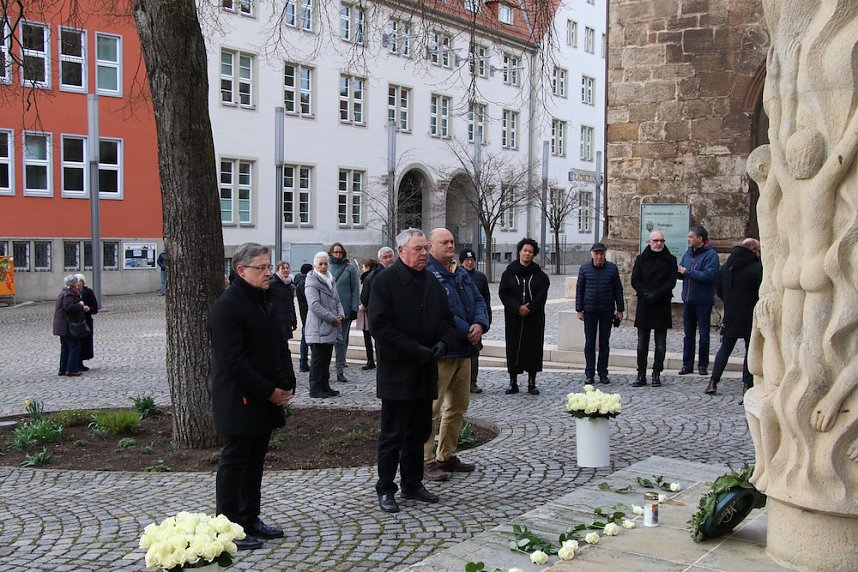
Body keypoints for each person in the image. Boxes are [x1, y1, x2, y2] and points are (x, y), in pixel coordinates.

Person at [206, 242, 295, 550]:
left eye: (269, 267)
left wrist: (287, 380)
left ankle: (249, 518)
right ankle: (227, 526)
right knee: (235, 461)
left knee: (255, 460)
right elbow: (234, 363)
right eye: (262, 268)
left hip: (264, 396)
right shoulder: (227, 308)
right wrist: (268, 390)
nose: (268, 272)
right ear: (241, 270)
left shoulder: (264, 300)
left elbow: (278, 343)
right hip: (239, 398)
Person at [368, 228, 456, 513]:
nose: (423, 253)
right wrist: (414, 350)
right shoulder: (385, 282)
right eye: (418, 248)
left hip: (425, 368)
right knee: (393, 433)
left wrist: (443, 342)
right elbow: (380, 327)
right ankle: (385, 487)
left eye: (425, 248)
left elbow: (445, 318)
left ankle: (412, 482)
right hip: (398, 371)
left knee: (418, 431)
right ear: (401, 250)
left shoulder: (430, 280)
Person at [422, 229, 489, 482]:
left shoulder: (458, 270)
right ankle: (425, 459)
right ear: (431, 246)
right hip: (445, 350)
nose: (451, 245)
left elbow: (478, 300)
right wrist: (467, 330)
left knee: (459, 406)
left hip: (464, 351)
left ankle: (446, 454)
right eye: (445, 242)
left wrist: (480, 324)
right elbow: (444, 311)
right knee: (431, 408)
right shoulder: (429, 274)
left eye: (452, 241)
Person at [705, 238, 762, 396]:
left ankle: (713, 381)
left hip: (731, 313)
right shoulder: (757, 268)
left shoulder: (726, 267)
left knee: (725, 348)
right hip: (750, 313)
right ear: (753, 251)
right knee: (749, 350)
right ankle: (747, 384)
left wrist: (729, 302)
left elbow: (719, 290)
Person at [498, 238, 550, 395]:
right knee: (513, 347)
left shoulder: (540, 275)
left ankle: (531, 382)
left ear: (534, 254)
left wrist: (530, 308)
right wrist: (517, 308)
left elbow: (542, 296)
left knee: (533, 348)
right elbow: (503, 293)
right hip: (514, 318)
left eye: (530, 251)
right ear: (520, 251)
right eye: (525, 250)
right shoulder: (508, 273)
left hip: (534, 318)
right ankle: (513, 382)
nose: (527, 253)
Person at [630, 231, 676, 387]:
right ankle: (641, 374)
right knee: (642, 344)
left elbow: (671, 282)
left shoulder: (670, 260)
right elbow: (635, 280)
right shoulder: (641, 259)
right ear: (649, 242)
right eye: (656, 240)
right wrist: (645, 293)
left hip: (661, 304)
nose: (659, 243)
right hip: (645, 304)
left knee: (660, 345)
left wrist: (656, 294)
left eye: (662, 240)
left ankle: (656, 373)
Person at [576, 242, 625, 385]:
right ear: (592, 255)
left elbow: (618, 289)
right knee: (590, 343)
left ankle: (603, 372)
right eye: (596, 254)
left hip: (606, 310)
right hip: (589, 310)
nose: (599, 257)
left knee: (604, 343)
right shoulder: (584, 268)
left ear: (605, 255)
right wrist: (579, 309)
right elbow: (580, 289)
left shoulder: (612, 269)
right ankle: (589, 373)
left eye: (601, 254)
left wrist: (620, 309)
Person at [677, 225, 720, 376]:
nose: (688, 239)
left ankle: (702, 365)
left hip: (703, 301)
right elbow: (683, 271)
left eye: (691, 237)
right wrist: (679, 273)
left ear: (700, 239)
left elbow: (708, 276)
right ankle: (687, 364)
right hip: (688, 300)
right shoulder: (688, 254)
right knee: (688, 335)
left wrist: (687, 272)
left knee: (704, 335)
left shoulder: (711, 255)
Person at [304, 252, 344, 399]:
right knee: (318, 360)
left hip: (331, 325)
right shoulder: (311, 281)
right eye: (320, 264)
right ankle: (315, 388)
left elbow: (337, 300)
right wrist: (331, 318)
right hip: (319, 326)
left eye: (325, 263)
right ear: (315, 265)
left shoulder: (330, 280)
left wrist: (340, 315)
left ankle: (325, 385)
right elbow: (314, 305)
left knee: (326, 358)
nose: (323, 266)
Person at [459, 248, 492, 394]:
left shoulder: (480, 277)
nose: (470, 262)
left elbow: (485, 300)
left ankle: (472, 382)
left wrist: (486, 320)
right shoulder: (456, 275)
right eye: (467, 260)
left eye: (472, 260)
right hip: (461, 321)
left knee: (474, 353)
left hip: (476, 321)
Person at [328, 243, 360, 383]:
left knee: (341, 341)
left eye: (340, 252)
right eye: (335, 252)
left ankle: (340, 369)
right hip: (328, 311)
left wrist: (354, 308)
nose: (338, 255)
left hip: (345, 310)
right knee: (328, 341)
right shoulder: (326, 267)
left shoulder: (350, 268)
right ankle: (325, 371)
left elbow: (355, 289)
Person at [52, 275, 89, 377]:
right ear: (74, 284)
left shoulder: (64, 292)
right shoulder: (69, 293)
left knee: (65, 347)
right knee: (74, 346)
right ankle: (71, 369)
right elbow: (68, 307)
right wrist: (80, 305)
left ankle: (63, 369)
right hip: (68, 325)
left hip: (63, 325)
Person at [357, 257, 379, 371]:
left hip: (367, 310)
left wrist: (363, 305)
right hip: (372, 309)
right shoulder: (377, 274)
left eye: (363, 266)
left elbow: (365, 294)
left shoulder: (368, 277)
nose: (362, 269)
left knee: (368, 336)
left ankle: (370, 360)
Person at [269, 261, 298, 346]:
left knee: (284, 346)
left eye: (287, 268)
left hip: (286, 321)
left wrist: (294, 320)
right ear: (278, 270)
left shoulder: (289, 285)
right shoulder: (272, 284)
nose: (286, 270)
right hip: (275, 322)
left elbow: (291, 304)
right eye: (283, 268)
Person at [75, 274, 99, 372]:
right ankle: (76, 362)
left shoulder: (88, 292)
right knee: (76, 342)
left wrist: (88, 309)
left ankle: (81, 361)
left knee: (85, 341)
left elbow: (95, 308)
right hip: (75, 321)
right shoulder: (72, 293)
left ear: (83, 283)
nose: (78, 285)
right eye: (76, 282)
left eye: (79, 282)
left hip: (86, 321)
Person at [294, 263, 313, 372]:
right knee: (306, 340)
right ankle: (303, 362)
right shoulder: (304, 283)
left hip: (304, 314)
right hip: (307, 314)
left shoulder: (298, 282)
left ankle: (303, 362)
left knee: (305, 339)